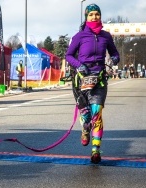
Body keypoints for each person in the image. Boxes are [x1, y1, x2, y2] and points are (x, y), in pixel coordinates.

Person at [65, 3, 120, 164]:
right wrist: (79, 65)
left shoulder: (106, 36)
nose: (94, 17)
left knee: (97, 113)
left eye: (97, 14)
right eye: (91, 14)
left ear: (100, 16)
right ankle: (85, 128)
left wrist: (115, 58)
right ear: (86, 17)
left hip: (99, 79)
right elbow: (68, 56)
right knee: (86, 115)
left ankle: (96, 150)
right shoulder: (79, 36)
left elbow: (114, 53)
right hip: (81, 80)